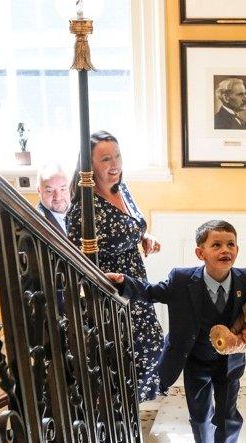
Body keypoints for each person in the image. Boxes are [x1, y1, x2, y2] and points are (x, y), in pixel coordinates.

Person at [105, 220, 246, 443]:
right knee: (199, 414)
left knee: (228, 414)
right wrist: (122, 282)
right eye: (216, 245)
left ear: (237, 250)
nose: (224, 250)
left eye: (230, 244)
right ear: (200, 253)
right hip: (194, 359)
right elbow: (150, 292)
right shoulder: (182, 279)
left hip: (229, 361)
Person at [66, 130, 165, 402]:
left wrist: (145, 236)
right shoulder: (83, 208)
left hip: (136, 284)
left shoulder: (122, 188)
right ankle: (117, 410)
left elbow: (131, 225)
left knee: (153, 345)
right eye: (106, 159)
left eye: (118, 156)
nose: (115, 165)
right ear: (90, 165)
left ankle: (128, 406)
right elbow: (75, 259)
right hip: (110, 288)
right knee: (123, 354)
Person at [36, 163, 70, 235]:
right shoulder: (35, 222)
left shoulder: (83, 211)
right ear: (39, 190)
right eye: (49, 191)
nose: (58, 197)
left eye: (63, 189)